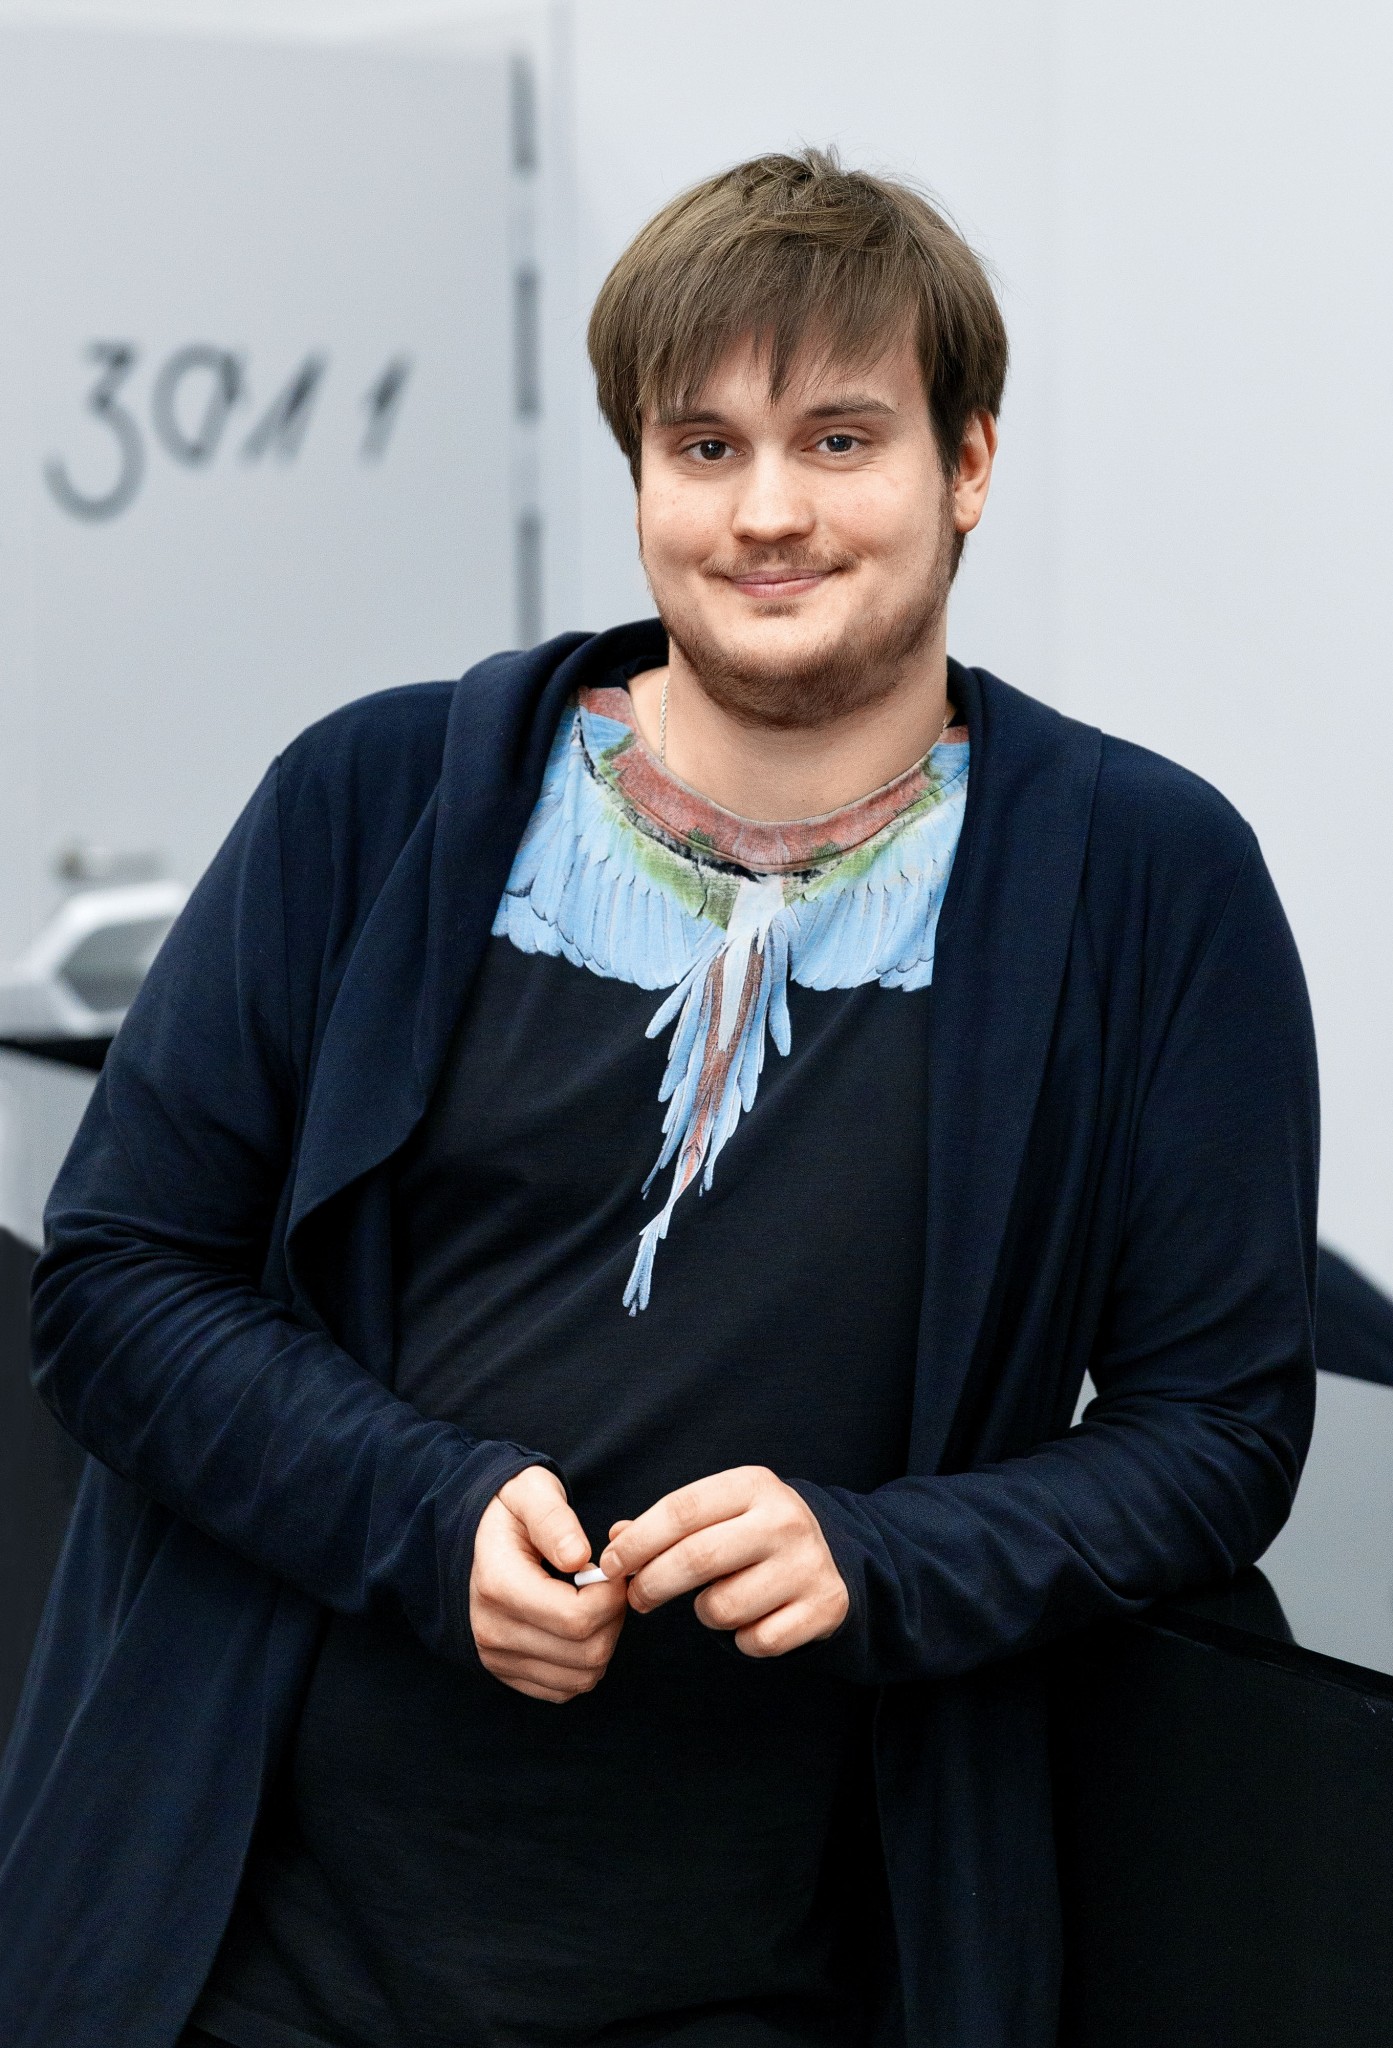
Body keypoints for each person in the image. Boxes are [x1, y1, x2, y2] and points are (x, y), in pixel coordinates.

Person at [0, 150, 1317, 2048]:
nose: (766, 512)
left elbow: (1218, 1429)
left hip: (777, 1967)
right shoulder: (374, 799)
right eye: (702, 447)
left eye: (839, 438)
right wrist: (423, 1515)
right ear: (637, 475)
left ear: (966, 464)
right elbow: (118, 1279)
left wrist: (880, 1557)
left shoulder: (1149, 880)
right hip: (256, 1944)